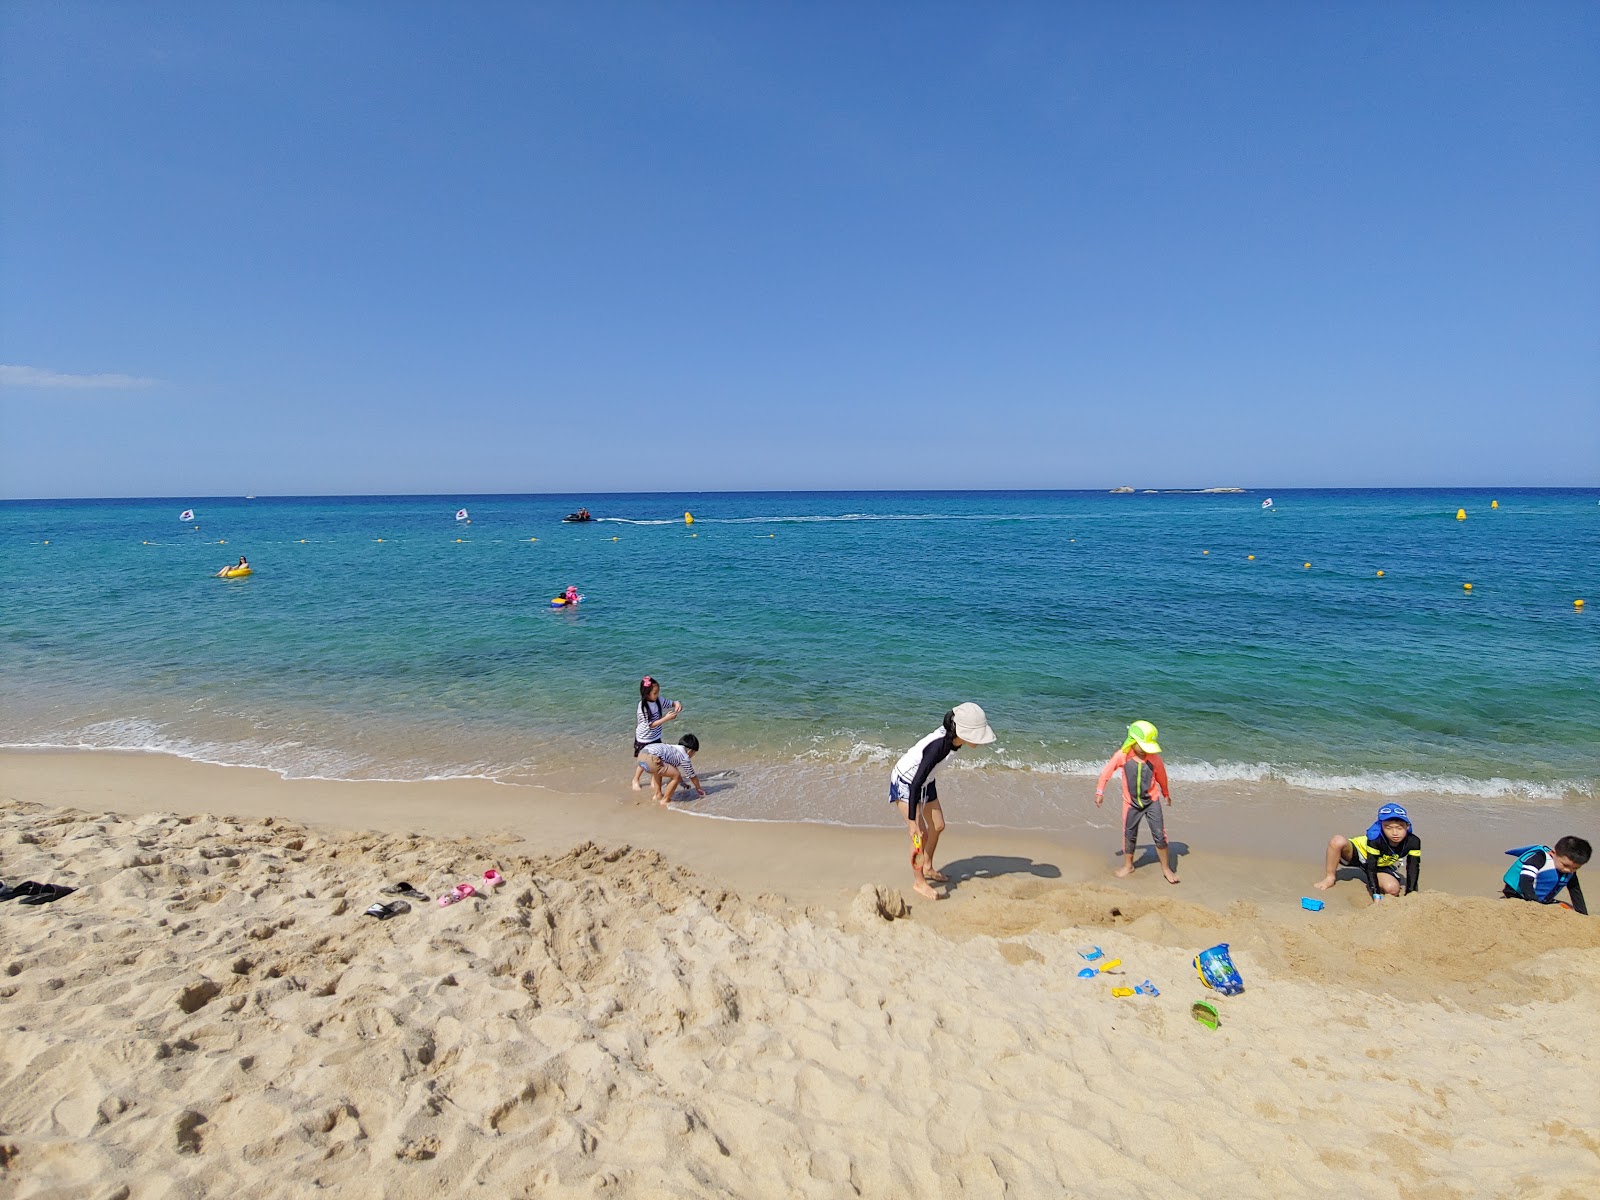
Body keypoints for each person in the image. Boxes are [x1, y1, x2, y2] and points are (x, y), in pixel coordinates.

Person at [889, 703, 996, 901]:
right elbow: (914, 785)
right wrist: (912, 823)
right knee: (919, 835)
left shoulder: (955, 738)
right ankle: (919, 881)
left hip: (926, 780)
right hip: (907, 782)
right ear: (962, 731)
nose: (979, 740)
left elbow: (924, 778)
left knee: (938, 826)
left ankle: (927, 866)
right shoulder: (938, 747)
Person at [1095, 720, 1179, 884]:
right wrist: (1100, 791)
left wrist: (1166, 793)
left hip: (1152, 802)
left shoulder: (1154, 759)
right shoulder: (1122, 756)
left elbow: (1162, 777)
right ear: (1133, 741)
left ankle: (1166, 868)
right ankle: (1128, 866)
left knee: (1160, 836)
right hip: (1130, 804)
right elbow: (1107, 772)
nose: (1147, 749)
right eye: (1144, 745)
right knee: (1129, 835)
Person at [1314, 803, 1421, 899]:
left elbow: (1413, 867)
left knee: (1392, 889)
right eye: (1388, 827)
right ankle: (1330, 877)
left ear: (1407, 826)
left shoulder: (1413, 842)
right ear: (1381, 826)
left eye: (1399, 828)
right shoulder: (1375, 839)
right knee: (1337, 841)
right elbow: (1371, 866)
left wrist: (1411, 894)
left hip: (1381, 865)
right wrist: (1376, 894)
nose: (1394, 833)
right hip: (1357, 853)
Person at [1502, 837, 1589, 914]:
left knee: (1568, 908)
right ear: (1553, 853)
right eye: (1565, 865)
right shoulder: (1539, 858)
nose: (1569, 870)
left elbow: (1575, 890)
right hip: (1516, 894)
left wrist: (1583, 914)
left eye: (1575, 868)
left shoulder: (1569, 870)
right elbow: (1526, 880)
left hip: (1541, 900)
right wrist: (1534, 903)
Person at [630, 676, 682, 790]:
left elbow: (670, 703)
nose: (657, 695)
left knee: (656, 760)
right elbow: (650, 725)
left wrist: (676, 703)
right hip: (644, 738)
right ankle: (636, 779)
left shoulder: (658, 700)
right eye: (655, 693)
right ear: (647, 694)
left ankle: (654, 780)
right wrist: (666, 719)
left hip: (656, 737)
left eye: (658, 692)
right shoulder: (642, 707)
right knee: (643, 761)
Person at [643, 734, 703, 805]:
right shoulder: (684, 757)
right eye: (694, 753)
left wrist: (682, 783)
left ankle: (658, 795)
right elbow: (692, 776)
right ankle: (665, 800)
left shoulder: (672, 749)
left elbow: (673, 771)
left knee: (659, 771)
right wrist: (699, 789)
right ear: (690, 751)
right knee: (675, 775)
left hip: (642, 755)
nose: (693, 755)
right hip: (652, 758)